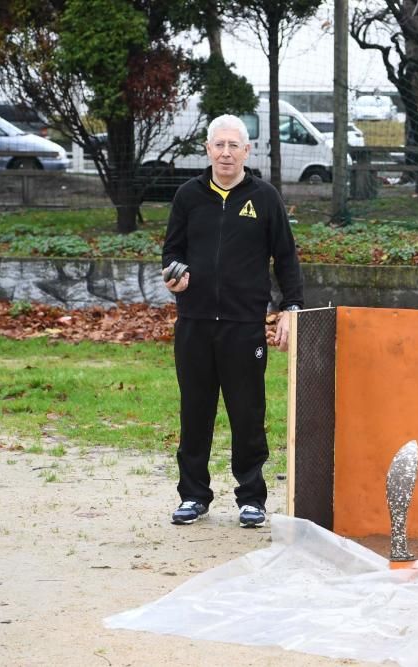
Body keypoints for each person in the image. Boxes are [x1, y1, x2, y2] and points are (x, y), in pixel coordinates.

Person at [162, 114, 304, 528]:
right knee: (195, 412)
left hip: (244, 326)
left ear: (247, 150)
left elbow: (286, 258)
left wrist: (292, 309)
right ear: (207, 149)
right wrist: (175, 275)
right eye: (218, 145)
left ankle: (251, 498)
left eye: (233, 145)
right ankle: (193, 495)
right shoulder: (188, 196)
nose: (225, 152)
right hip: (194, 323)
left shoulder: (264, 198)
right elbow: (172, 252)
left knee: (247, 413)